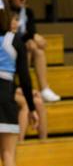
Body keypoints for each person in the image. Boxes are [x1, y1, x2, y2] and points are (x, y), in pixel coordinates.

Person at [0, 1, 43, 166]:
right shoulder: (13, 40)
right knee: (7, 154)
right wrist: (32, 108)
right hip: (3, 96)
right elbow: (25, 79)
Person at [8, 0, 60, 102]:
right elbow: (9, 34)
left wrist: (32, 37)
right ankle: (24, 86)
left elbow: (31, 32)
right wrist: (32, 37)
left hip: (24, 47)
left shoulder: (28, 12)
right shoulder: (6, 12)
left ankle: (44, 88)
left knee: (37, 49)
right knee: (30, 45)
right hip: (8, 48)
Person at [10, 12, 47, 141]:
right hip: (5, 89)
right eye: (12, 20)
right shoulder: (6, 44)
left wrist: (26, 91)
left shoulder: (17, 43)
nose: (16, 23)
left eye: (16, 20)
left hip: (10, 88)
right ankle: (18, 144)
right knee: (25, 103)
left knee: (38, 102)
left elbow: (20, 77)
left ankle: (44, 143)